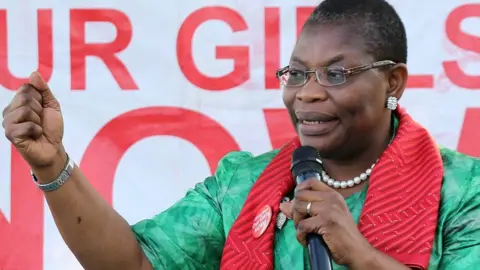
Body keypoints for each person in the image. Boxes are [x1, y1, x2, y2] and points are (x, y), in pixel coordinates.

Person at [2, 0, 480, 269]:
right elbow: (133, 265)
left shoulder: (465, 191)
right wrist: (52, 165)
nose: (307, 94)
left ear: (393, 82)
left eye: (336, 75)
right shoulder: (241, 184)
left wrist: (359, 253)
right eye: (295, 74)